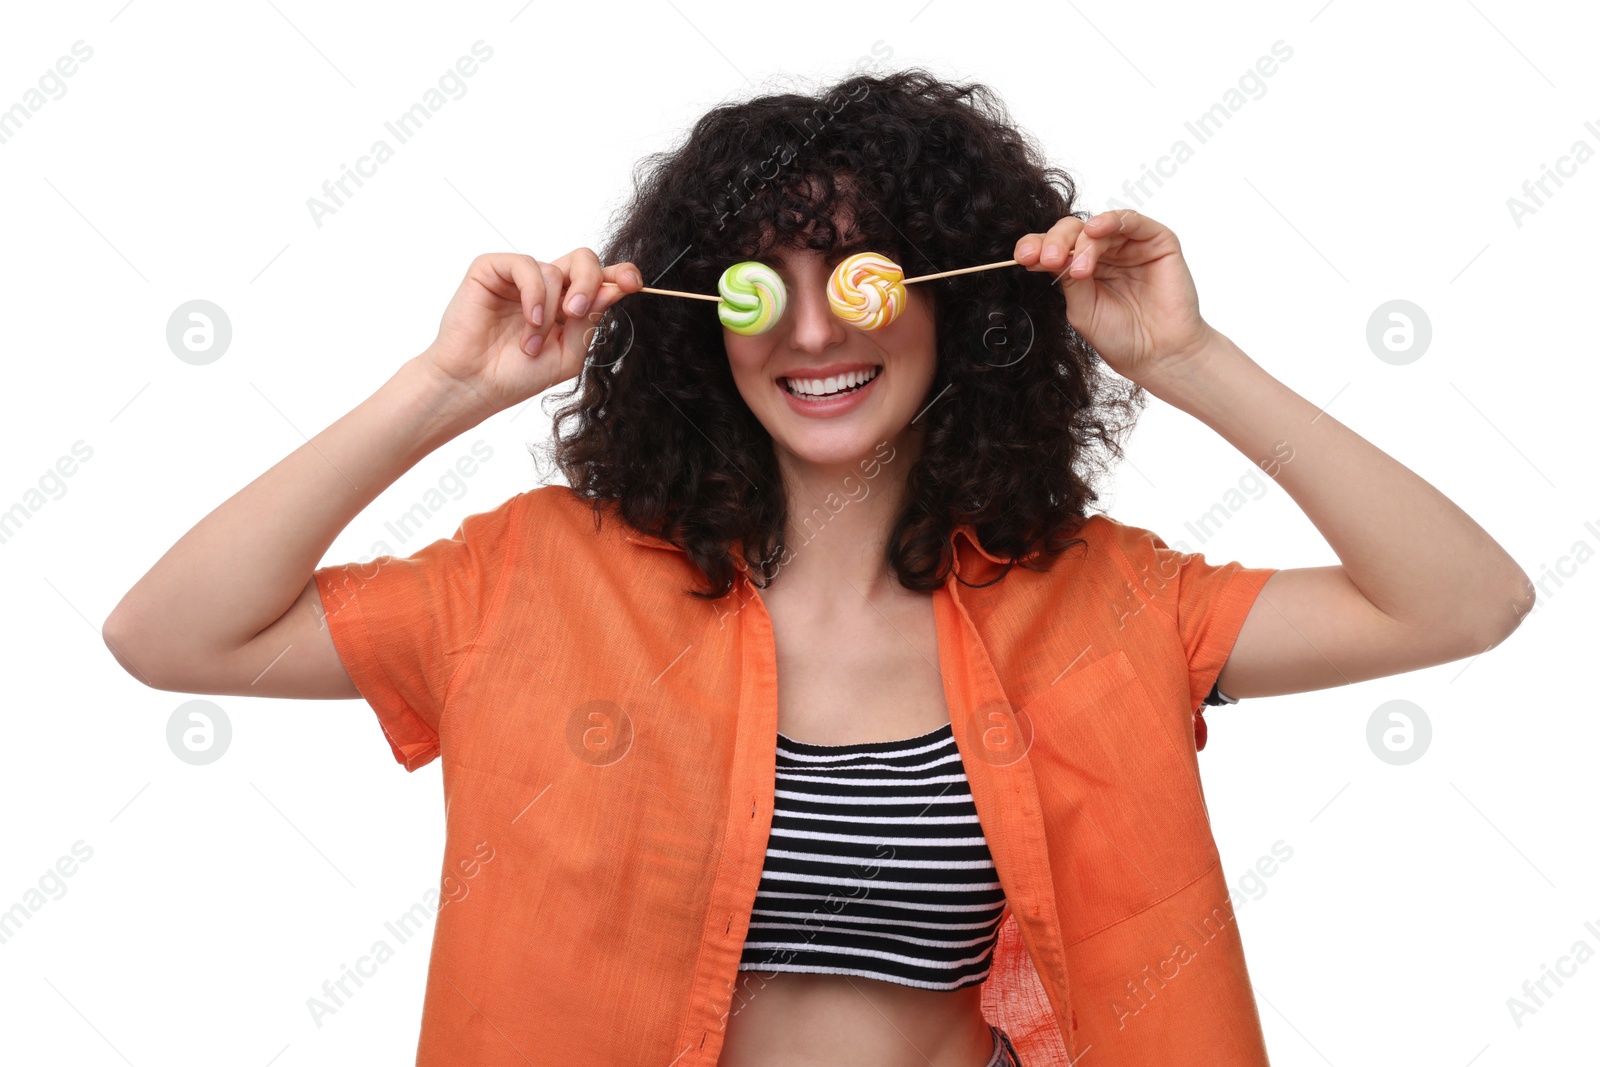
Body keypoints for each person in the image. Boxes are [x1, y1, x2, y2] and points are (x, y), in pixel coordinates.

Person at [103, 69, 1533, 1067]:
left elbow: (1464, 601)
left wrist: (1184, 359)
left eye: (857, 277)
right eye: (753, 289)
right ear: (698, 328)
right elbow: (174, 637)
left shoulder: (1097, 599)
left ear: (947, 301)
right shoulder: (535, 578)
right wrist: (445, 388)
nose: (809, 334)